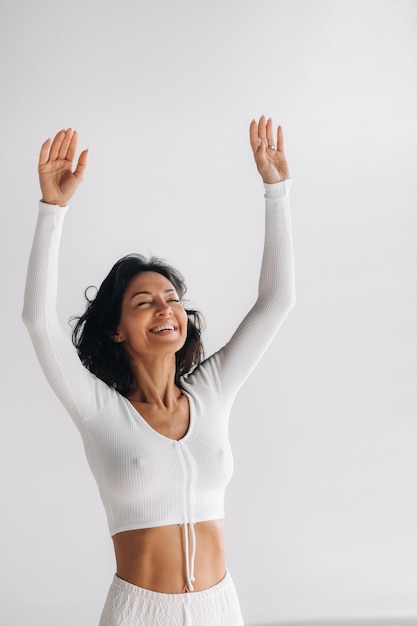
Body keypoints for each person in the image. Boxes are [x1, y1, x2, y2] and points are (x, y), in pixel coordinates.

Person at [23, 116, 295, 626]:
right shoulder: (100, 410)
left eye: (172, 299)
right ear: (116, 329)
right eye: (144, 301)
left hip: (220, 608)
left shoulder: (212, 391)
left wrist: (276, 189)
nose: (165, 308)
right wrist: (52, 210)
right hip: (139, 613)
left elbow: (277, 300)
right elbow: (38, 322)